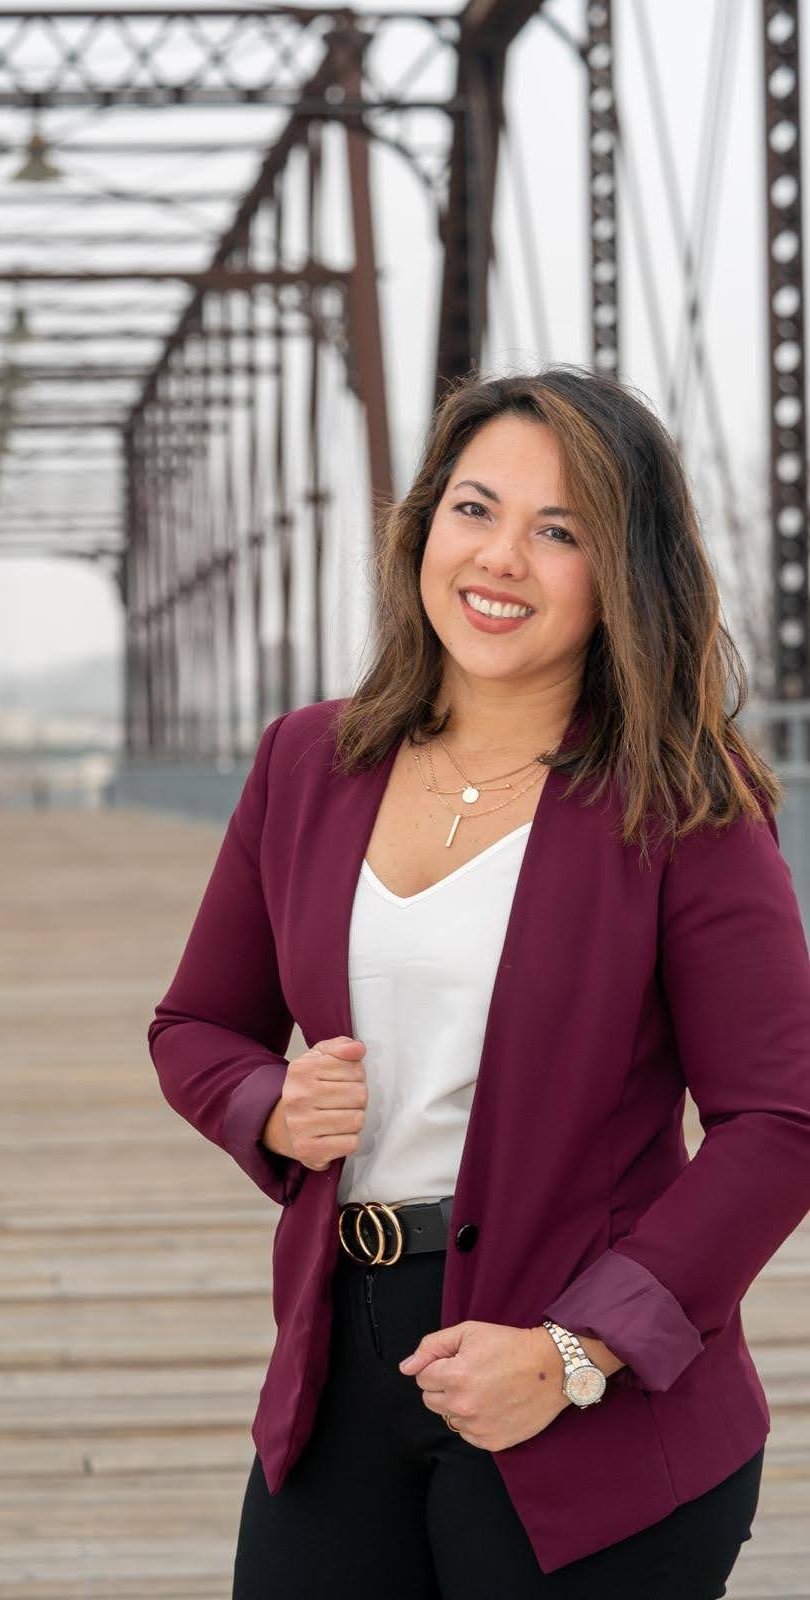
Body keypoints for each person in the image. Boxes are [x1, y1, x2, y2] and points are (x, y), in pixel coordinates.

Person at [147, 365, 810, 1597]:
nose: (499, 558)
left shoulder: (684, 799)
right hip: (335, 1373)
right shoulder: (310, 760)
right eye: (474, 509)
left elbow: (778, 1122)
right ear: (422, 530)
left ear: (624, 575)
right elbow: (197, 1024)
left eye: (559, 531)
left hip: (586, 1401)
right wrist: (270, 1108)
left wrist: (576, 1351)